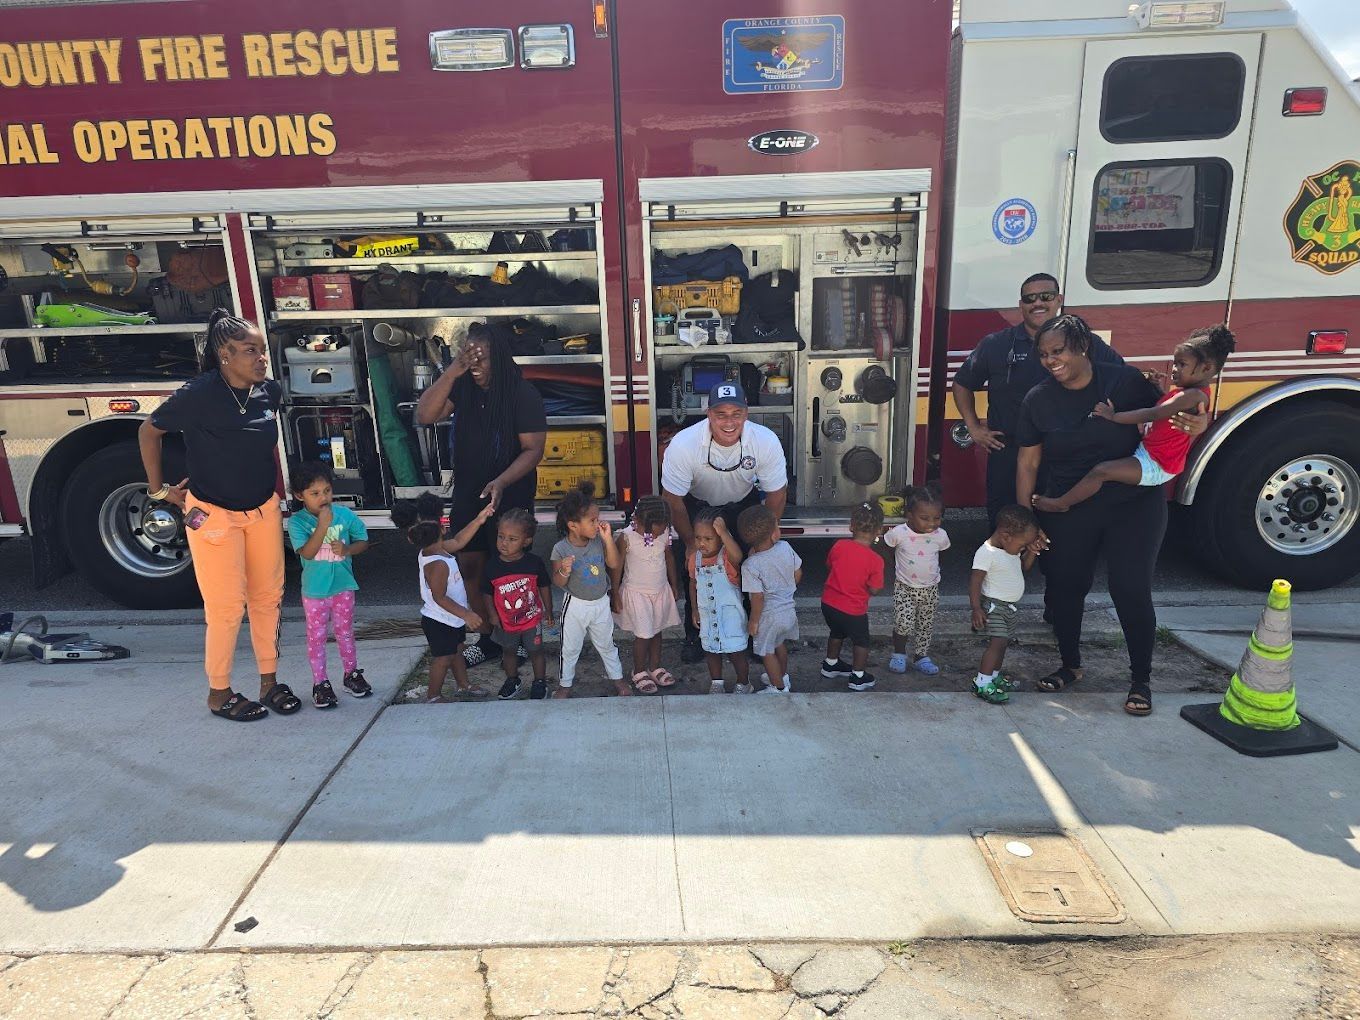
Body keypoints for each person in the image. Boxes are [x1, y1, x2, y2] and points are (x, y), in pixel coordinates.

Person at [1016, 314, 1205, 718]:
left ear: (1082, 347)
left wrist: (1199, 421)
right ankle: (1070, 665)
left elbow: (1177, 415)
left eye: (1059, 351)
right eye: (1045, 354)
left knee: (1130, 588)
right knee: (1067, 586)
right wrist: (1025, 521)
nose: (1051, 360)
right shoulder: (1038, 400)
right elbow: (1028, 463)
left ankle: (1141, 679)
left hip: (1132, 504)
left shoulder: (1124, 382)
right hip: (1070, 503)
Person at [138, 308, 299, 722]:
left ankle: (269, 682)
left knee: (268, 599)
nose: (261, 358)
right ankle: (219, 691)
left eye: (263, 350)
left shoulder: (270, 393)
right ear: (224, 355)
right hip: (212, 515)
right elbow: (149, 431)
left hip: (262, 509)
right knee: (226, 607)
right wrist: (159, 490)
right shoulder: (199, 393)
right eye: (250, 351)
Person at [415, 322, 547, 668]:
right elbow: (424, 414)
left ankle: (518, 637)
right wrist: (451, 372)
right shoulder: (462, 386)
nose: (473, 363)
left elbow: (533, 450)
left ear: (499, 358)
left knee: (510, 568)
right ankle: (489, 638)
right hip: (469, 490)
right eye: (468, 354)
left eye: (481, 357)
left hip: (511, 491)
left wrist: (502, 482)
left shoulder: (522, 394)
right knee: (471, 566)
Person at [951, 273, 1123, 528]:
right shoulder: (997, 344)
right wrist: (974, 427)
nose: (1037, 303)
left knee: (1061, 527)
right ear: (1021, 305)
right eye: (1030, 299)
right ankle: (1007, 567)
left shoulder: (1086, 343)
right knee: (1006, 527)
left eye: (1046, 296)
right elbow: (962, 384)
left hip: (1063, 453)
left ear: (1059, 300)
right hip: (1008, 451)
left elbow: (1121, 379)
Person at [1033, 324, 1236, 513]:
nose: (1174, 369)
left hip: (1156, 463)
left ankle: (1061, 503)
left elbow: (1153, 413)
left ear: (1206, 368)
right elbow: (1164, 409)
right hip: (1151, 451)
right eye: (1175, 363)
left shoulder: (1193, 396)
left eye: (1182, 364)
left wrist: (1113, 416)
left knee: (1101, 471)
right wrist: (1155, 387)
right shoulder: (1188, 392)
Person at [660, 381, 788, 663]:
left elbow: (777, 494)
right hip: (697, 505)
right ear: (708, 414)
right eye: (721, 414)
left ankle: (750, 634)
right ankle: (694, 635)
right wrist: (692, 544)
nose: (729, 421)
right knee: (694, 570)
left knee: (748, 568)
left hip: (742, 505)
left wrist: (764, 538)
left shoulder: (765, 440)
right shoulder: (684, 444)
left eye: (736, 413)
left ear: (746, 413)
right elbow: (672, 500)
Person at [392, 493, 493, 703]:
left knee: (457, 652)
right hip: (439, 621)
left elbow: (459, 540)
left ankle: (463, 685)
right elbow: (439, 598)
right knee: (443, 659)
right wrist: (467, 614)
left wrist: (479, 519)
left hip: (450, 619)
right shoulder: (437, 563)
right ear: (442, 528)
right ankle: (433, 695)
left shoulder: (435, 549)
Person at [287, 462, 372, 709]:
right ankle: (320, 683)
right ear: (299, 495)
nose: (323, 498)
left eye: (326, 491)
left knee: (345, 632)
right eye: (315, 494)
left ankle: (351, 674)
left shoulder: (344, 515)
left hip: (343, 586)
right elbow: (308, 553)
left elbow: (363, 541)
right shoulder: (298, 523)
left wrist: (347, 549)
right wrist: (323, 525)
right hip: (315, 592)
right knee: (317, 637)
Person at [551, 481, 628, 698]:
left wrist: (608, 540)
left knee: (607, 644)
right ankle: (565, 684)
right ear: (573, 525)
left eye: (598, 519)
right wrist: (564, 571)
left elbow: (613, 563)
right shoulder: (561, 548)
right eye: (592, 521)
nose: (598, 524)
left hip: (600, 603)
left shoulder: (598, 542)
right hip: (576, 606)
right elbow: (558, 582)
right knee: (570, 647)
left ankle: (618, 679)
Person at [969, 504, 1040, 705]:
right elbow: (975, 581)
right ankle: (982, 683)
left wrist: (1031, 552)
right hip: (994, 607)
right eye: (1022, 545)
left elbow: (1024, 567)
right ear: (1006, 536)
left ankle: (993, 677)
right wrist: (976, 608)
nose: (1023, 548)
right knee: (997, 642)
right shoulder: (987, 553)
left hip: (1010, 608)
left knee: (1003, 644)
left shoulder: (1010, 550)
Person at [611, 495, 682, 694]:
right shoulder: (626, 537)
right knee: (643, 635)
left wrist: (674, 584)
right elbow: (616, 567)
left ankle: (655, 666)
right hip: (637, 594)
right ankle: (639, 671)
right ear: (640, 522)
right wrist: (614, 593)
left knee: (657, 630)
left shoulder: (664, 533)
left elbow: (669, 558)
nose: (659, 531)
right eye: (656, 527)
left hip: (659, 591)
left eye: (663, 526)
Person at [481, 508, 553, 702]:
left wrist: (548, 610)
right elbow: (487, 593)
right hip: (506, 622)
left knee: (536, 651)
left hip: (531, 620)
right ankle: (512, 680)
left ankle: (539, 682)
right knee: (509, 652)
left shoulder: (534, 563)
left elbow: (544, 585)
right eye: (501, 537)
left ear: (526, 541)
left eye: (512, 539)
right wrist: (492, 614)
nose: (504, 543)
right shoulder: (492, 566)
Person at [882, 484, 949, 676]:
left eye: (937, 518)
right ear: (909, 515)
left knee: (925, 624)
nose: (931, 523)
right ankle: (899, 654)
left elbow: (942, 553)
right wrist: (894, 566)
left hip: (930, 588)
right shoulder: (899, 533)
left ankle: (921, 657)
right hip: (905, 586)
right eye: (925, 518)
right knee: (904, 622)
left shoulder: (940, 536)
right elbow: (886, 547)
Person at [821, 502, 886, 692]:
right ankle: (858, 676)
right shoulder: (875, 560)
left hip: (829, 603)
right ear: (879, 531)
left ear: (851, 526)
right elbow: (874, 589)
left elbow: (830, 566)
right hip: (853, 609)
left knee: (837, 632)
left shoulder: (839, 545)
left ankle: (830, 664)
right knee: (861, 641)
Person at [738, 504, 802, 695]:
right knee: (779, 644)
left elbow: (757, 597)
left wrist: (754, 621)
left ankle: (778, 688)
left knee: (767, 652)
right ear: (774, 534)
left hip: (769, 616)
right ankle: (782, 677)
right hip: (788, 610)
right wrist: (787, 591)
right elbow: (798, 573)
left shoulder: (750, 565)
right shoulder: (785, 547)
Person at [688, 508, 750, 694]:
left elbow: (738, 556)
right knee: (711, 650)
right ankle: (717, 682)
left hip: (729, 614)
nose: (702, 543)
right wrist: (694, 608)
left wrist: (723, 532)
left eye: (709, 538)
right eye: (698, 538)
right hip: (707, 613)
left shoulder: (726, 557)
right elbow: (693, 584)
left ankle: (743, 683)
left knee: (736, 651)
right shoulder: (695, 559)